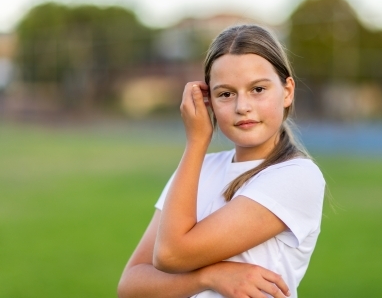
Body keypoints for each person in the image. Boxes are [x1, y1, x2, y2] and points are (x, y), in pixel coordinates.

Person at [118, 24, 325, 298]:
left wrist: (196, 143)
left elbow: (170, 254)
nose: (242, 106)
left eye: (258, 89)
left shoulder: (297, 176)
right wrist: (210, 276)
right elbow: (131, 286)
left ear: (287, 91)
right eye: (226, 94)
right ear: (209, 102)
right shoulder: (197, 169)